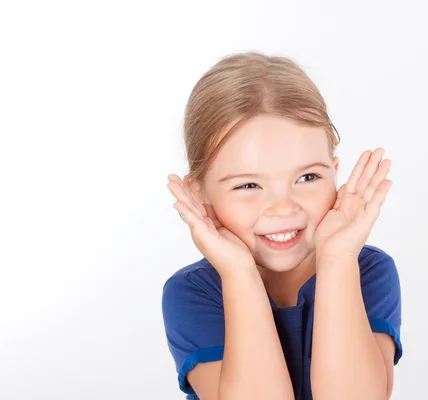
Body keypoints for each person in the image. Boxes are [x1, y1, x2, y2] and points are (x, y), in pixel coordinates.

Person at [162, 52, 403, 400]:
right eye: (248, 185)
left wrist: (336, 261)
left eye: (308, 176)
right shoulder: (193, 293)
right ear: (199, 193)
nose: (283, 207)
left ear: (335, 172)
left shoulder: (366, 270)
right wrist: (238, 274)